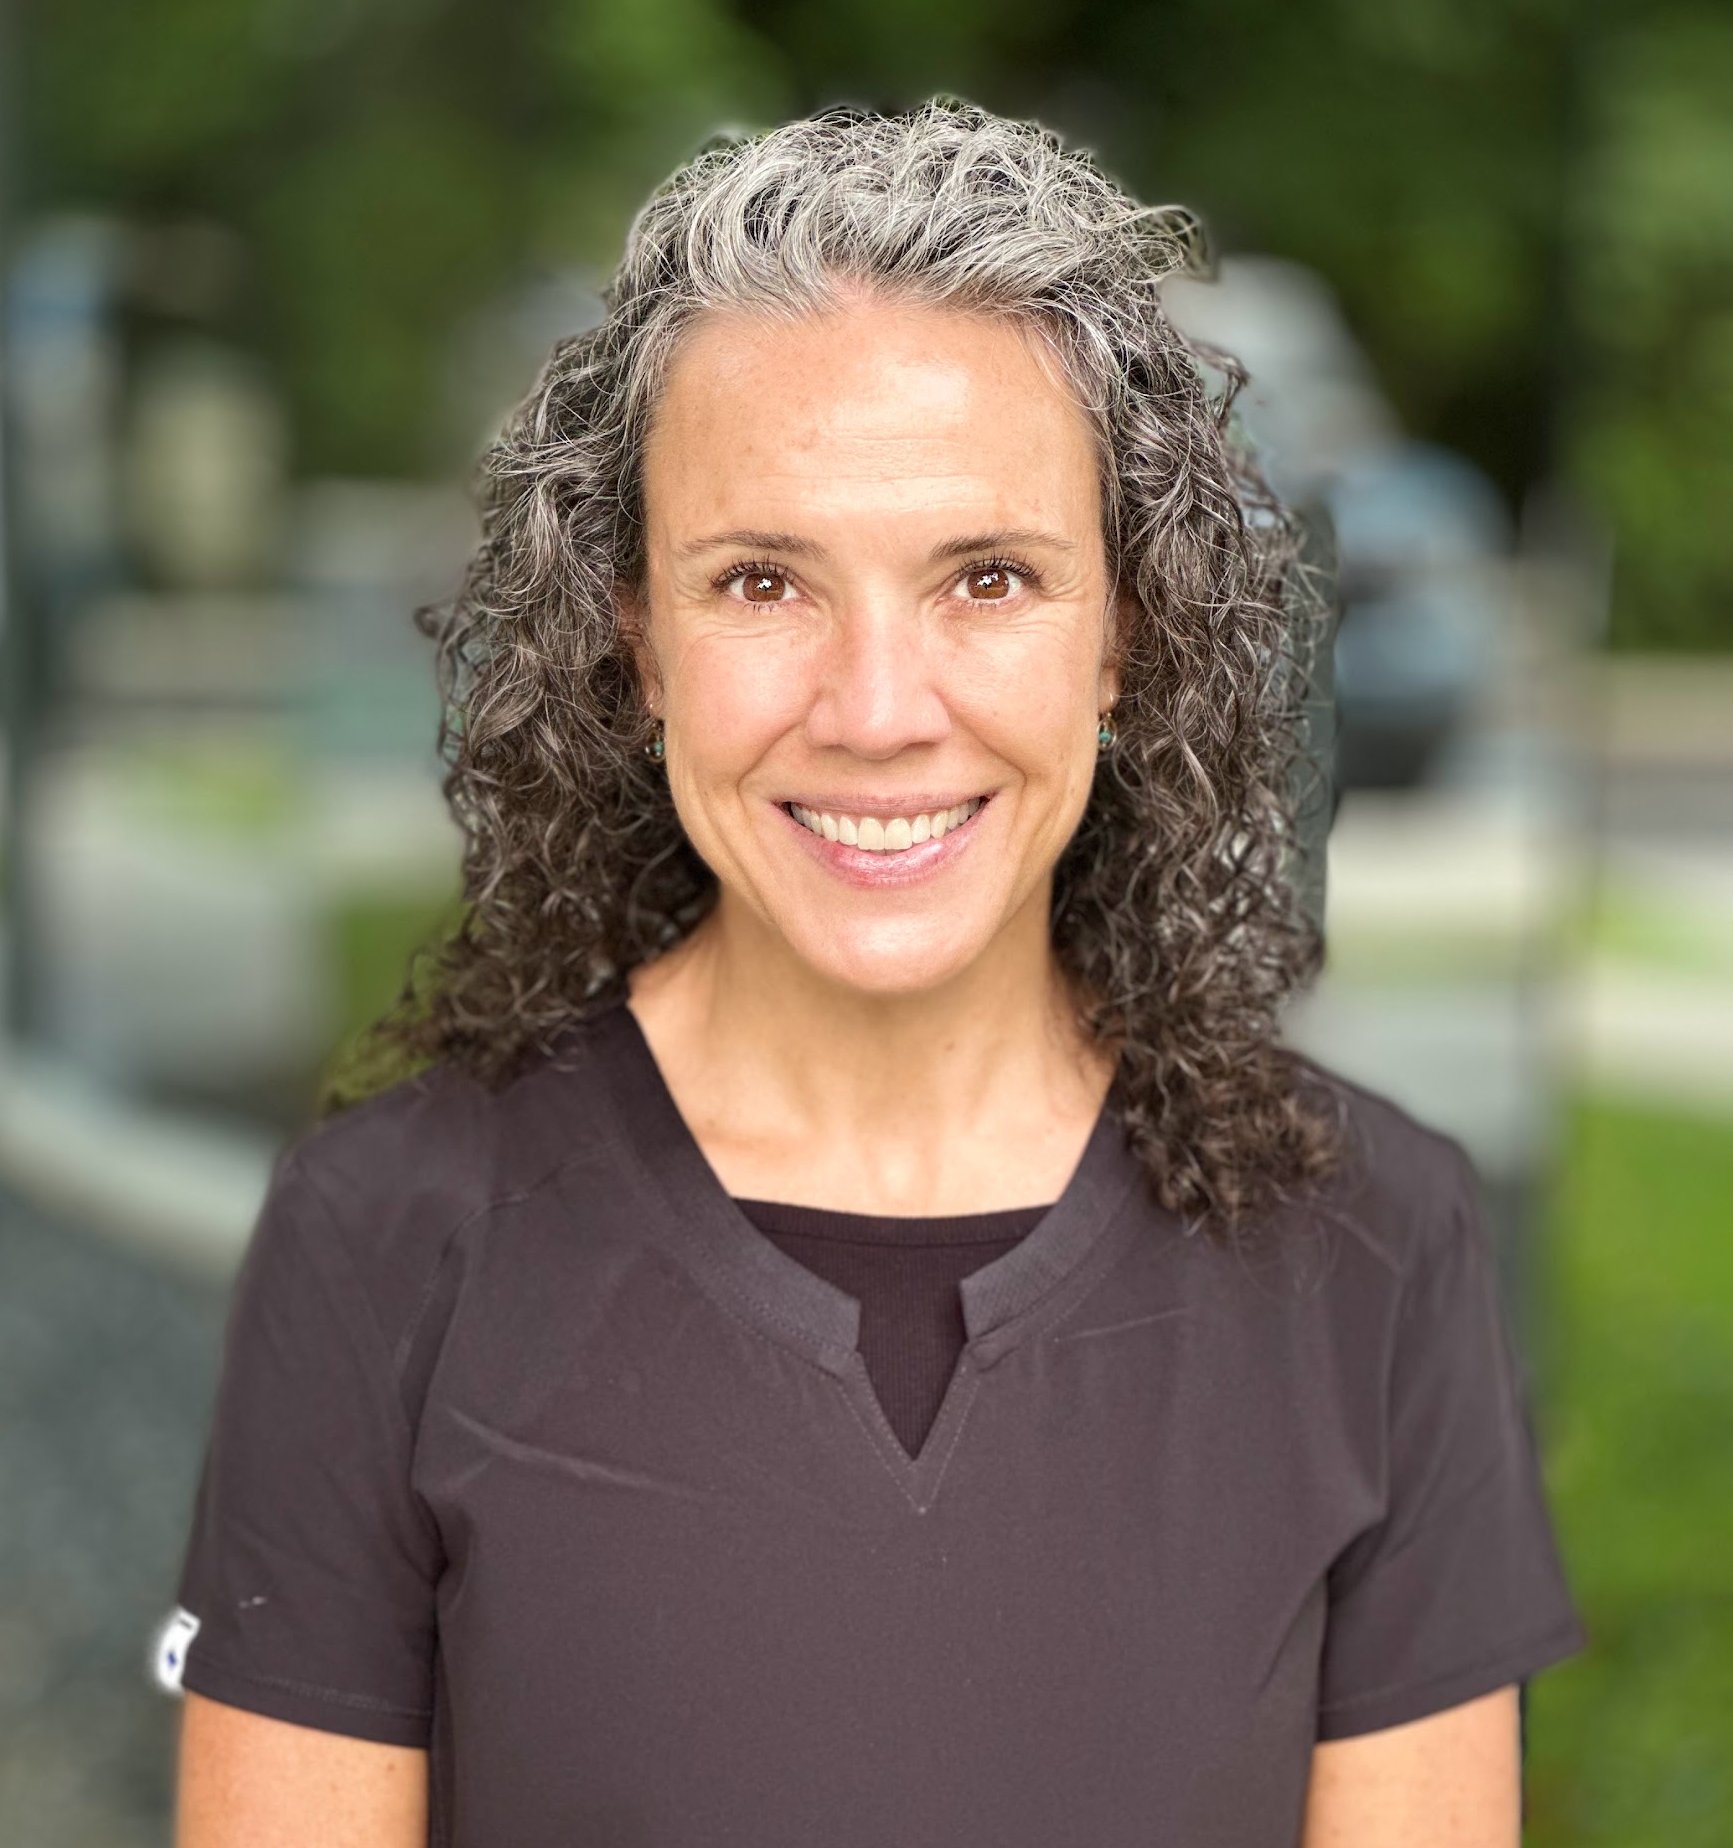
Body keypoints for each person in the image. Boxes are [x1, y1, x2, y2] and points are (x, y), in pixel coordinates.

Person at [155, 99, 1588, 1846]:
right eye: (764, 581)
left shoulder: (1375, 1244)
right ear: (639, 645)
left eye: (988, 577)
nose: (881, 708)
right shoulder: (387, 1240)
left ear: (1124, 636)